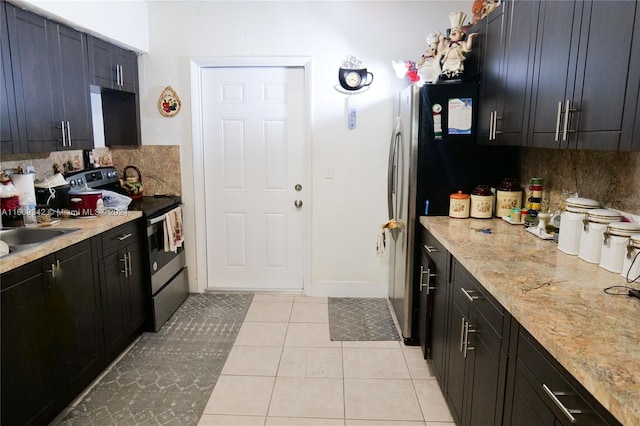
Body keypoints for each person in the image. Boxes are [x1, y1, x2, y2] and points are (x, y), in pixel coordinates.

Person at [438, 11, 477, 81]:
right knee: (446, 68)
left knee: (458, 69)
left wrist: (470, 38)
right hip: (448, 62)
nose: (453, 32)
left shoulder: (461, 43)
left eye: (456, 31)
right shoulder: (448, 44)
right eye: (452, 30)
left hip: (457, 61)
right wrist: (441, 41)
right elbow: (441, 51)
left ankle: (457, 73)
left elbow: (468, 48)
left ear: (461, 34)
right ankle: (447, 73)